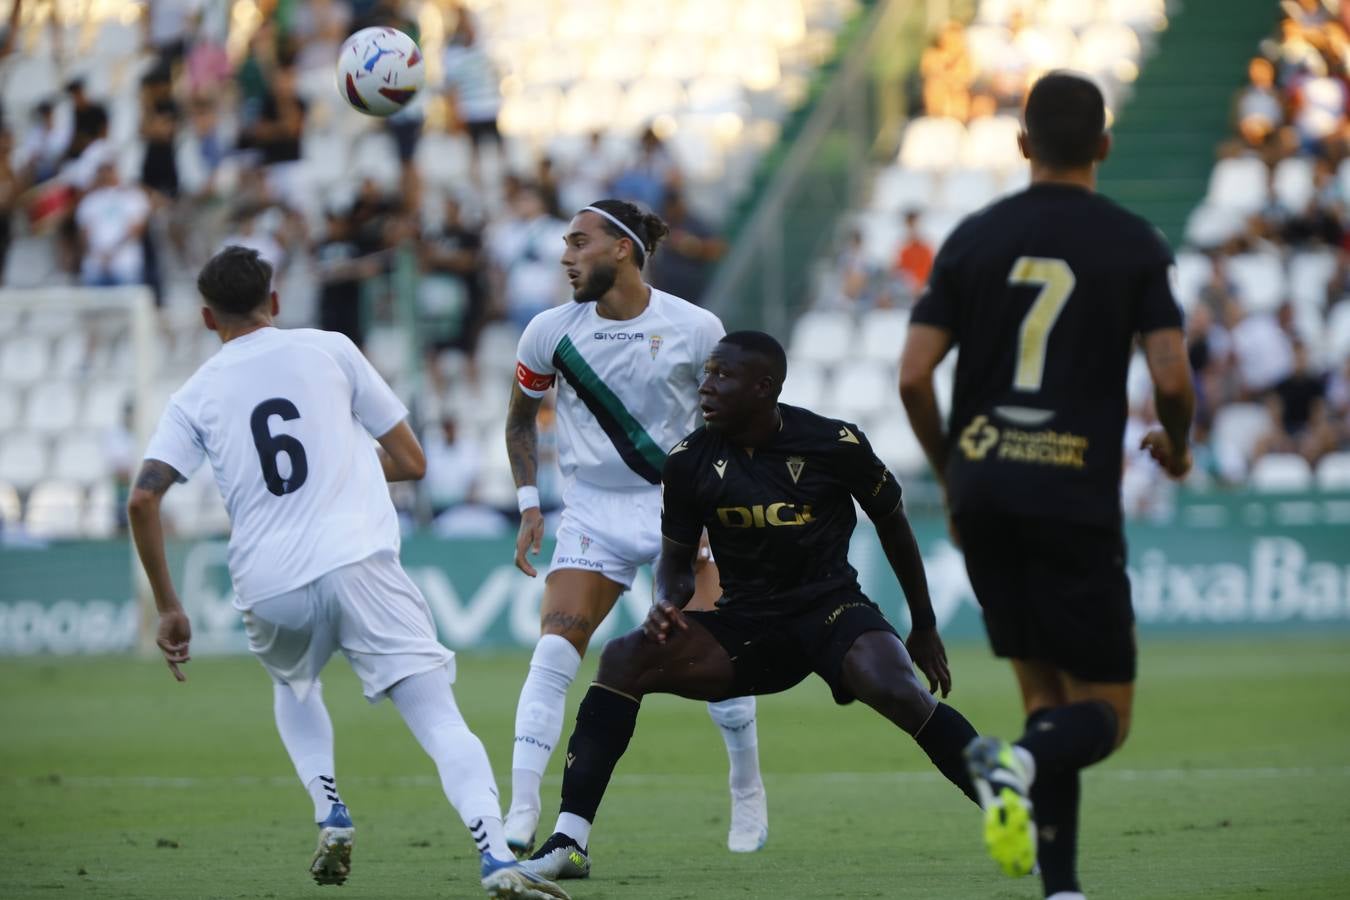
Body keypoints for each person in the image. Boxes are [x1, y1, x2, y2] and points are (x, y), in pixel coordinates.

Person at [126, 246, 569, 900]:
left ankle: (329, 806)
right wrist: (347, 467)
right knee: (439, 718)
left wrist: (167, 605)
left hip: (269, 579)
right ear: (275, 303)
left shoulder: (194, 394)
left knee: (294, 685)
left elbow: (141, 498)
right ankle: (494, 854)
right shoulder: (330, 348)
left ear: (204, 317)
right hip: (360, 560)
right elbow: (412, 460)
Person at [521, 331, 981, 880]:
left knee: (896, 689)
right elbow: (675, 563)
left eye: (721, 377)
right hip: (749, 626)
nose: (706, 387)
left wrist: (924, 625)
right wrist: (666, 603)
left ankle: (1010, 802)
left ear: (764, 388)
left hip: (832, 610)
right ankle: (570, 841)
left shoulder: (834, 443)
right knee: (622, 657)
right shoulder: (689, 460)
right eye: (707, 375)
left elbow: (894, 524)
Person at [899, 71, 1195, 899]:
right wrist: (1177, 444)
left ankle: (1061, 889)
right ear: (1104, 145)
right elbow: (1171, 377)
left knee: (1046, 700)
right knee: (1105, 715)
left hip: (986, 494)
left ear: (1022, 144)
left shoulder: (971, 239)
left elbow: (915, 377)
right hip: (1073, 495)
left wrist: (955, 474)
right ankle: (1013, 764)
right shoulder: (1134, 243)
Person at [502, 200, 768, 858]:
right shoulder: (547, 332)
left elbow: (736, 424)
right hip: (593, 508)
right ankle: (521, 804)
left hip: (684, 509)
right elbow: (517, 421)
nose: (566, 255)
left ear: (621, 249)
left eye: (579, 242)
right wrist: (529, 504)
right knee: (555, 649)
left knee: (720, 662)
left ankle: (746, 785)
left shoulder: (696, 326)